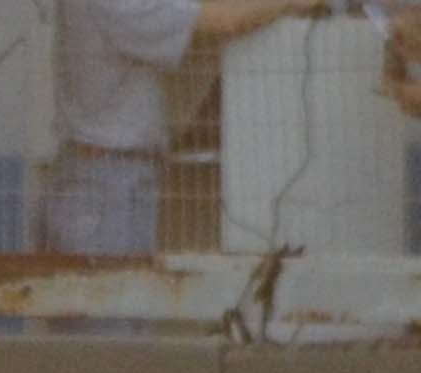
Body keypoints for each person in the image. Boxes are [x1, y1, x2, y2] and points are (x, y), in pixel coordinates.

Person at [52, 1, 368, 255]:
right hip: (106, 179)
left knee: (126, 301)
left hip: (118, 171)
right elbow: (221, 20)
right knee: (112, 307)